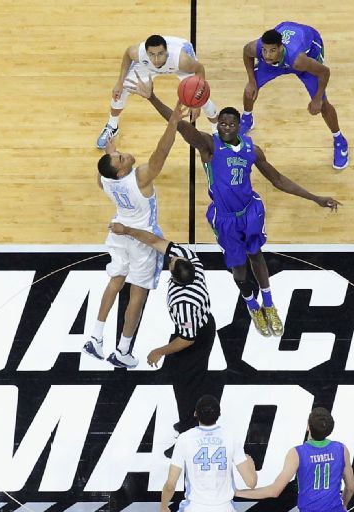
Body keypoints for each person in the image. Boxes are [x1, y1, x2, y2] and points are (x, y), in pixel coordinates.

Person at [133, 78, 340, 338]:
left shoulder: (253, 150)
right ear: (217, 125)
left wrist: (315, 198)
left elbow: (277, 179)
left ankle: (268, 304)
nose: (227, 128)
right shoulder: (209, 146)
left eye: (231, 124)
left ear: (239, 126)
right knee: (239, 268)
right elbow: (182, 127)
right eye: (222, 123)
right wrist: (152, 98)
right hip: (225, 219)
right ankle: (252, 304)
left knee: (257, 255)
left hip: (250, 212)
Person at [87, 100, 188, 369]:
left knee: (115, 281)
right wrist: (173, 121)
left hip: (118, 232)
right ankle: (123, 350)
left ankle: (96, 337)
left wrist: (110, 153)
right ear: (122, 170)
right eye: (120, 158)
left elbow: (104, 173)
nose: (124, 154)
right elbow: (161, 152)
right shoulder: (140, 178)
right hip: (141, 238)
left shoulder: (106, 178)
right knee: (137, 295)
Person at [109, 223, 216, 436]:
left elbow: (187, 339)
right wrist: (127, 230)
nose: (172, 258)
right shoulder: (190, 258)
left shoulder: (184, 303)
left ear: (174, 277)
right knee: (181, 374)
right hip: (194, 325)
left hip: (197, 337)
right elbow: (155, 241)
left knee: (186, 382)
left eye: (173, 262)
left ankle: (189, 429)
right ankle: (192, 418)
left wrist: (159, 351)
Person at [241, 22, 348, 169]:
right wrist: (251, 81)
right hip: (280, 59)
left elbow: (324, 72)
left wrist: (317, 98)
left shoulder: (299, 60)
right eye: (264, 50)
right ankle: (247, 118)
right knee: (250, 89)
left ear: (280, 48)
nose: (267, 55)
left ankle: (340, 140)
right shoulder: (258, 49)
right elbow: (246, 52)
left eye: (272, 50)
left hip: (307, 52)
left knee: (323, 104)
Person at [96, 34, 218, 150]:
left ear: (167, 52)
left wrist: (196, 104)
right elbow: (128, 54)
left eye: (160, 54)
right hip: (147, 66)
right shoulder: (138, 52)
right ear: (146, 53)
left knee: (200, 97)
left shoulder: (182, 60)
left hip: (178, 63)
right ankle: (112, 126)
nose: (156, 59)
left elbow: (200, 69)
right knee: (121, 90)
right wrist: (119, 82)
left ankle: (216, 130)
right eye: (151, 54)